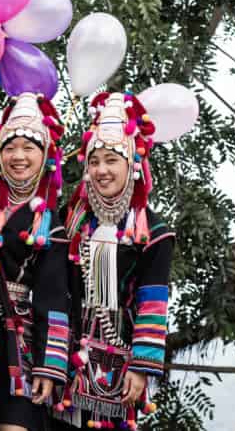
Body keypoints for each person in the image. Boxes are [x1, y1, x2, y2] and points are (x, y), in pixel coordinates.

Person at [53, 92, 174, 430]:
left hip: (117, 362)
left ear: (132, 164)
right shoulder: (74, 219)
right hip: (65, 355)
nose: (101, 170)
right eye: (94, 161)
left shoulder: (153, 230)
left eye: (111, 160)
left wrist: (142, 365)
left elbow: (153, 302)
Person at [0, 73, 71, 431]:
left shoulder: (50, 222)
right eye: (10, 147)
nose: (19, 156)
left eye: (29, 147)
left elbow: (53, 295)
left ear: (45, 156)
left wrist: (49, 364)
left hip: (21, 346)